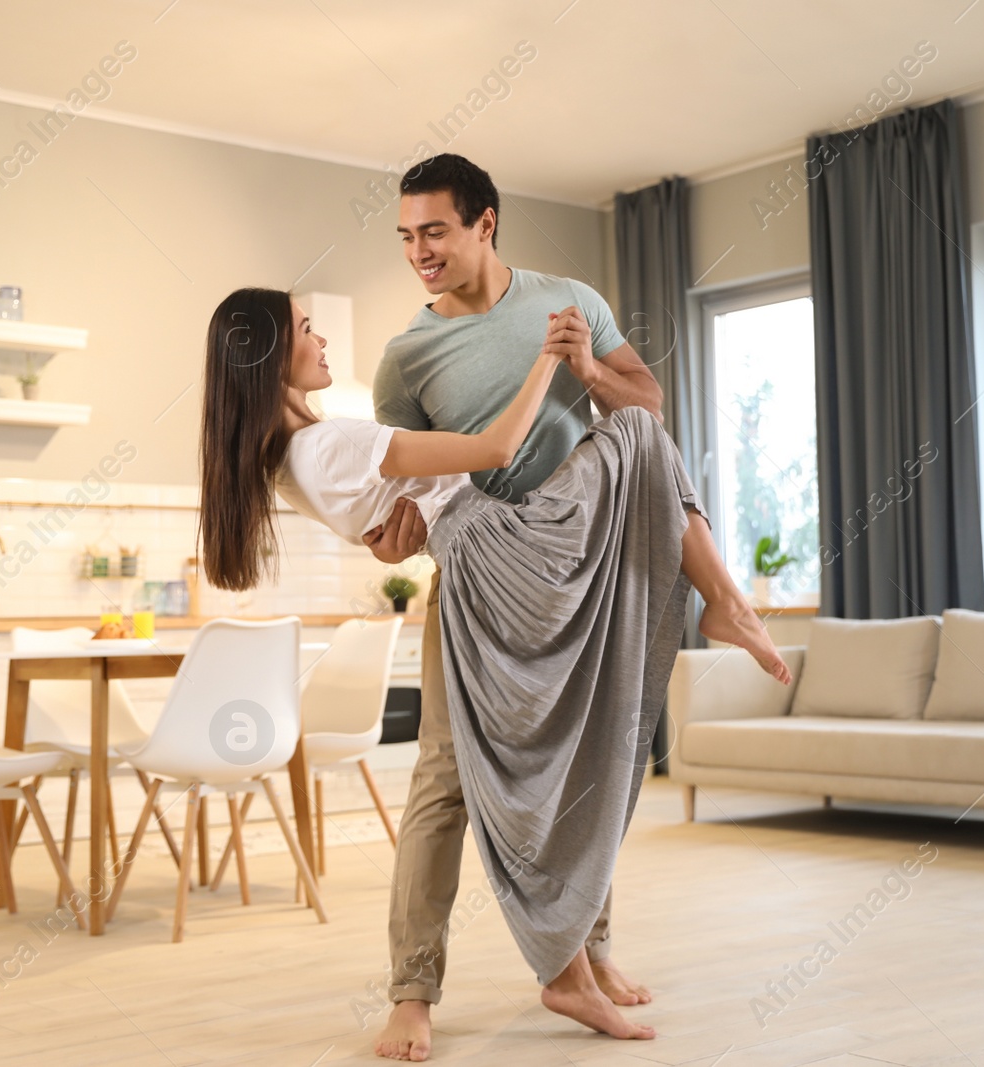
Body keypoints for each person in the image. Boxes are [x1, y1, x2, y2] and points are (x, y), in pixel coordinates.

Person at [197, 275, 790, 1056]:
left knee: (530, 760)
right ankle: (724, 602)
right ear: (272, 354)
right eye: (307, 327)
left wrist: (393, 533)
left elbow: (395, 515)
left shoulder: (297, 454)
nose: (322, 337)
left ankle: (573, 958)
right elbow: (495, 450)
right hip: (500, 552)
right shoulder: (329, 441)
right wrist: (552, 357)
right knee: (641, 435)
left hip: (476, 557)